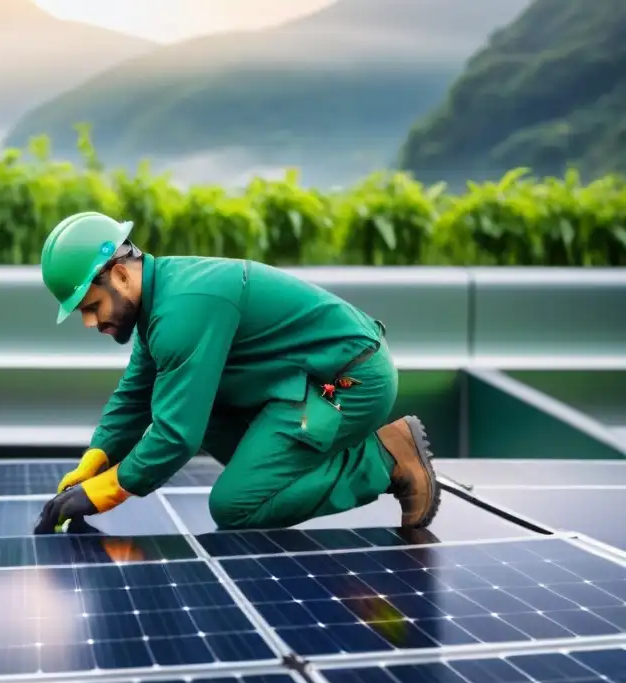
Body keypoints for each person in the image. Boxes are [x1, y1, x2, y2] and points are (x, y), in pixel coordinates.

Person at [32, 211, 441, 536]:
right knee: (192, 409)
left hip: (345, 382)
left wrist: (102, 493)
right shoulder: (162, 301)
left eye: (90, 306)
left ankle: (387, 458)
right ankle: (286, 468)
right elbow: (134, 395)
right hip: (299, 386)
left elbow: (176, 436)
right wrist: (95, 459)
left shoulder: (184, 309)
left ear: (120, 274)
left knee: (236, 506)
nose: (90, 322)